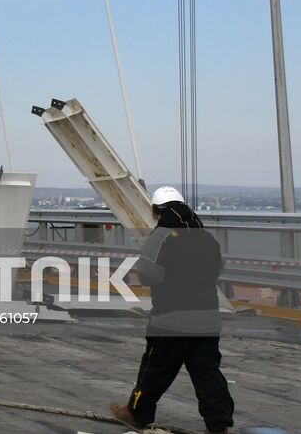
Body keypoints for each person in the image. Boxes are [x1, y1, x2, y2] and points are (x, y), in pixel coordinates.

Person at [111, 186, 235, 434]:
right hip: (207, 320)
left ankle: (136, 413)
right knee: (207, 373)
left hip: (170, 320)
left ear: (157, 211)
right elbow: (217, 269)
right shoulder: (207, 237)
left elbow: (149, 276)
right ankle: (218, 425)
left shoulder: (161, 237)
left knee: (155, 371)